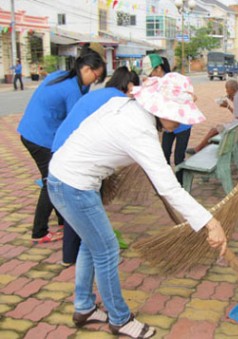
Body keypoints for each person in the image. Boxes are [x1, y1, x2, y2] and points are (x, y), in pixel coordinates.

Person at [47, 73, 227, 338]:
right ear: (161, 108)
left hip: (66, 178)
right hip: (73, 186)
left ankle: (84, 307)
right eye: (178, 115)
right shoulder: (140, 131)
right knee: (107, 249)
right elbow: (170, 189)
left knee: (91, 244)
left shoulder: (126, 106)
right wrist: (211, 223)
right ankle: (120, 319)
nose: (179, 123)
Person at [17, 42, 107, 244]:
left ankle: (62, 220)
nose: (96, 80)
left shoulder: (62, 75)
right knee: (51, 181)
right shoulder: (71, 89)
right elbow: (77, 122)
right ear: (86, 69)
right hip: (39, 137)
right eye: (96, 76)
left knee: (56, 176)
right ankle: (39, 231)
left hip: (33, 131)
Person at [51, 66, 139, 267]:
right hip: (76, 156)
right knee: (83, 204)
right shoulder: (119, 101)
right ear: (130, 86)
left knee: (78, 208)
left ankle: (72, 255)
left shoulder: (100, 93)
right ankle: (83, 253)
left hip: (62, 149)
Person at [143, 54, 192, 185]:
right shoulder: (155, 83)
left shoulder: (173, 80)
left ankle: (180, 184)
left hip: (182, 125)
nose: (150, 76)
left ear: (159, 68)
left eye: (151, 73)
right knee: (164, 154)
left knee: (178, 157)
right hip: (167, 126)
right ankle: (166, 184)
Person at [186, 79, 238, 154]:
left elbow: (237, 116)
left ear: (231, 89)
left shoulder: (237, 97)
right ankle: (206, 144)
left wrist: (228, 106)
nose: (226, 91)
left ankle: (197, 149)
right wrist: (230, 103)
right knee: (218, 128)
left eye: (227, 89)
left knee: (214, 130)